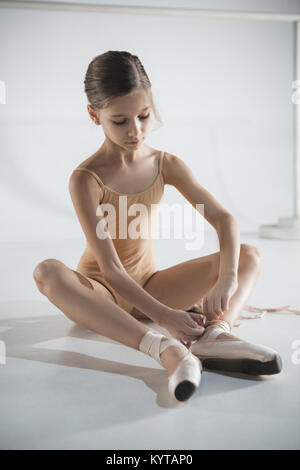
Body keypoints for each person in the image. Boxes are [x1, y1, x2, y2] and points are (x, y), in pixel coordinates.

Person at [33, 51, 281, 403]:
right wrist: (164, 319)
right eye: (120, 121)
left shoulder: (165, 164)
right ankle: (164, 350)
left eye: (144, 116)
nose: (135, 130)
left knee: (248, 255)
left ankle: (215, 336)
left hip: (152, 285)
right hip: (103, 292)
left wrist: (227, 278)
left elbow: (224, 220)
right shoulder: (85, 179)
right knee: (47, 272)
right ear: (94, 115)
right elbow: (111, 269)